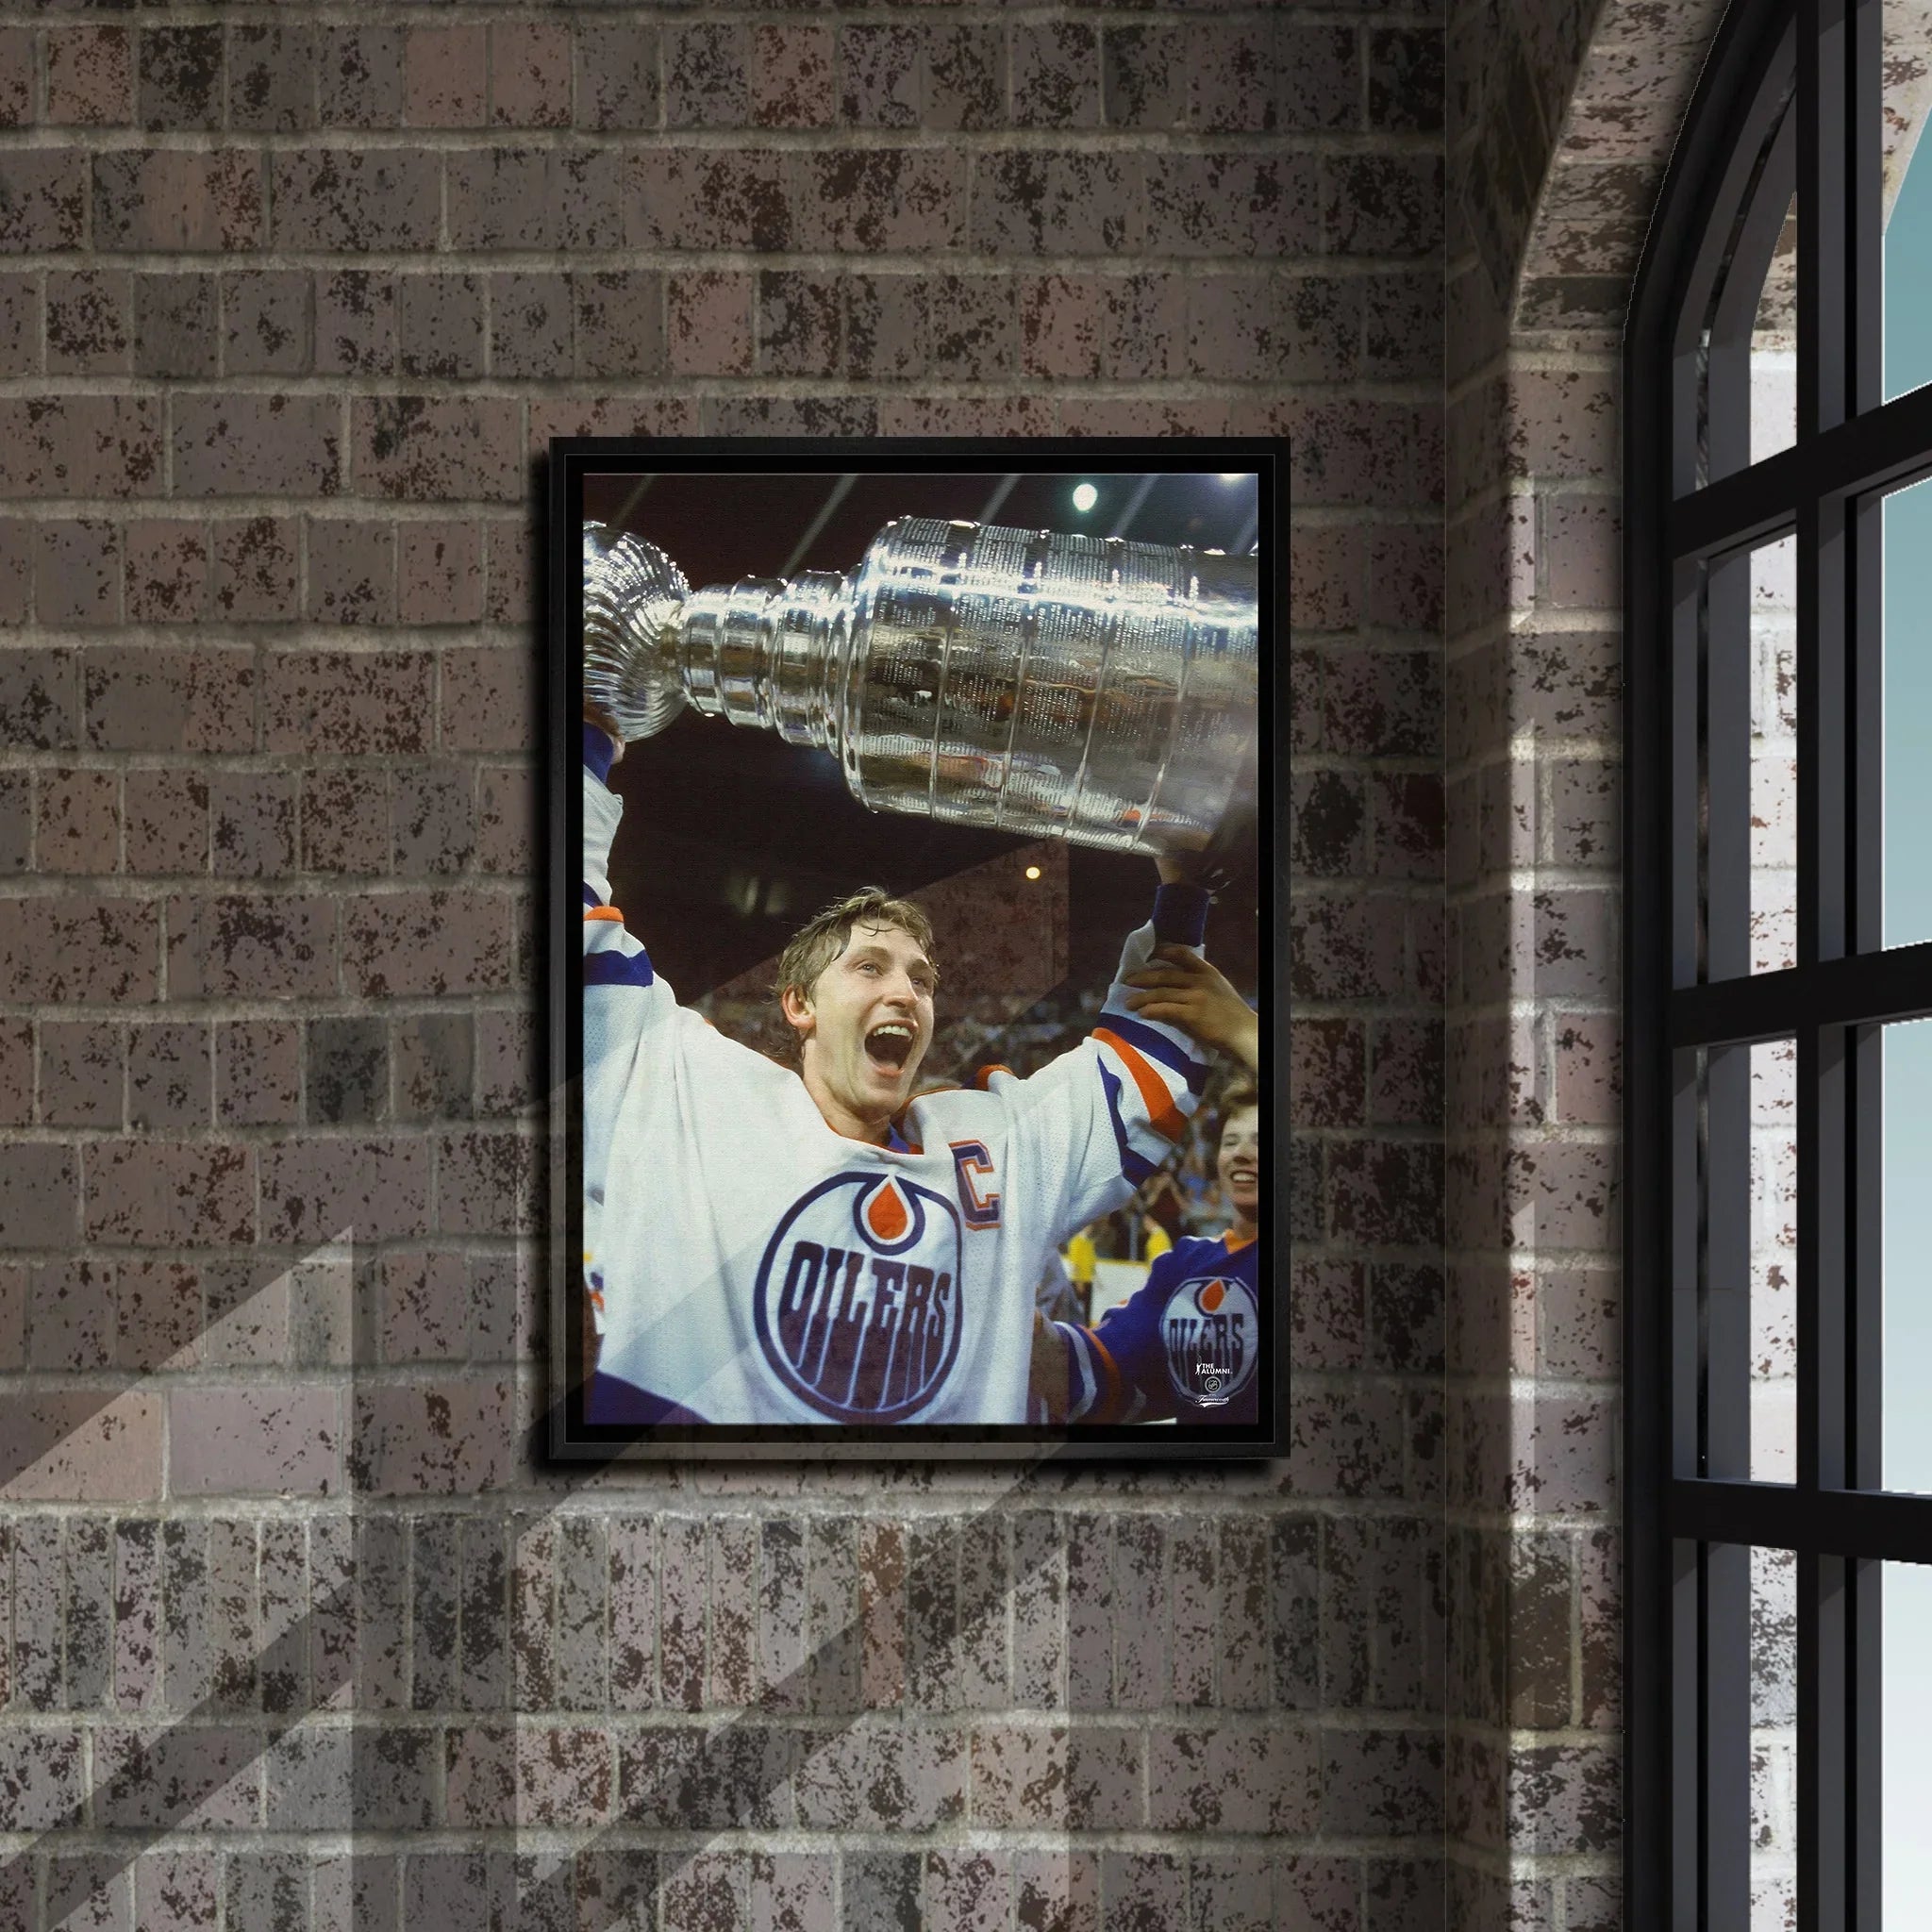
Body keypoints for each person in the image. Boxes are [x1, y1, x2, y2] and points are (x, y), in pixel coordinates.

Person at [579, 713, 1220, 1426]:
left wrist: (1183, 885)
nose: (904, 992)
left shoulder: (994, 1146)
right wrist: (589, 733)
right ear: (799, 1005)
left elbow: (1143, 1071)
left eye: (922, 980)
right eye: (869, 967)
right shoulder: (692, 1097)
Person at [1033, 941, 1263, 1426]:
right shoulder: (1185, 1267)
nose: (1242, 1152)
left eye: (1263, 1141)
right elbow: (1099, 1369)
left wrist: (1246, 1031)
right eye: (1232, 1140)